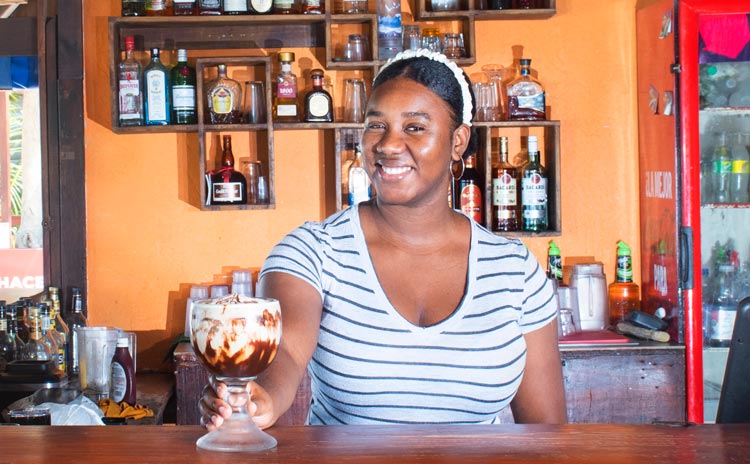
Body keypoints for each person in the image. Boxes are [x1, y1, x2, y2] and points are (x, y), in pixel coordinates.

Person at [200, 48, 567, 429]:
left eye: (414, 127)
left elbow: (547, 433)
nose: (388, 145)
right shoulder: (313, 252)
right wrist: (259, 397)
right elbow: (286, 350)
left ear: (458, 141)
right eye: (376, 125)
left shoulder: (514, 270)